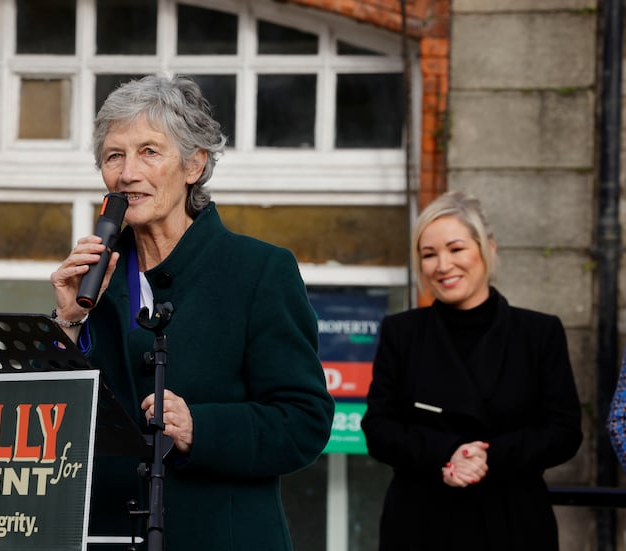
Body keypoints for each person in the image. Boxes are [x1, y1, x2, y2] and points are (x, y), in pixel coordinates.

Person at [49, 74, 334, 551]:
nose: (127, 173)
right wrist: (68, 321)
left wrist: (200, 428)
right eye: (114, 156)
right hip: (107, 535)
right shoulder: (94, 279)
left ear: (194, 164)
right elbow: (53, 425)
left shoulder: (258, 270)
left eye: (149, 152)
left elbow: (304, 421)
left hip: (222, 537)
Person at [360, 190, 582, 550]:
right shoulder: (402, 333)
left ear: (487, 248)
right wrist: (447, 453)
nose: (443, 265)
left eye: (456, 249)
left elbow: (564, 432)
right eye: (429, 254)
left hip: (513, 524)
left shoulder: (539, 333)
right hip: (422, 524)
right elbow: (379, 428)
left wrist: (487, 458)